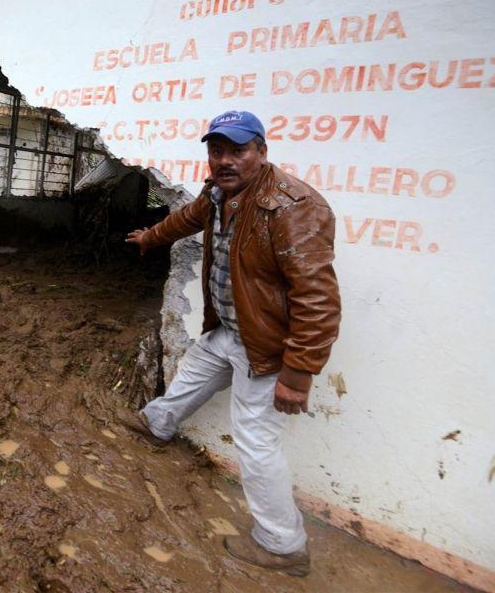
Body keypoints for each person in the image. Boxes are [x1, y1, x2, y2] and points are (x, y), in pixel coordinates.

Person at [121, 110, 341, 577]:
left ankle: (283, 546)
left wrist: (297, 375)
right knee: (193, 373)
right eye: (216, 150)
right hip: (229, 330)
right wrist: (150, 238)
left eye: (237, 150)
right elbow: (187, 219)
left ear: (261, 152)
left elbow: (318, 300)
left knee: (256, 442)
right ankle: (157, 424)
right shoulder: (219, 193)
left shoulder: (293, 207)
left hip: (266, 347)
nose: (225, 160)